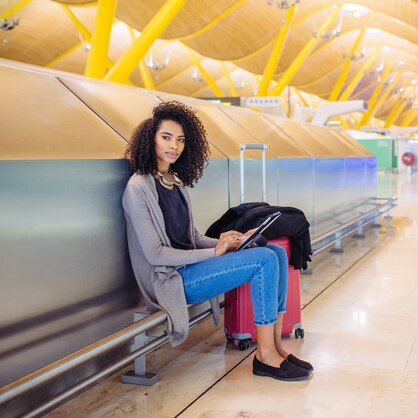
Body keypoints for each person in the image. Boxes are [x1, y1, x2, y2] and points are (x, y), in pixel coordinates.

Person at [122, 101, 312, 382]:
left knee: (275, 252)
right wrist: (215, 252)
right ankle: (264, 357)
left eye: (180, 140)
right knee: (263, 259)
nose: (174, 145)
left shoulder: (174, 182)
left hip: (190, 270)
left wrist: (227, 241)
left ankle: (276, 348)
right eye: (166, 137)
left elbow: (191, 237)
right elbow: (155, 254)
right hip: (170, 281)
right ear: (150, 139)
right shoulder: (137, 189)